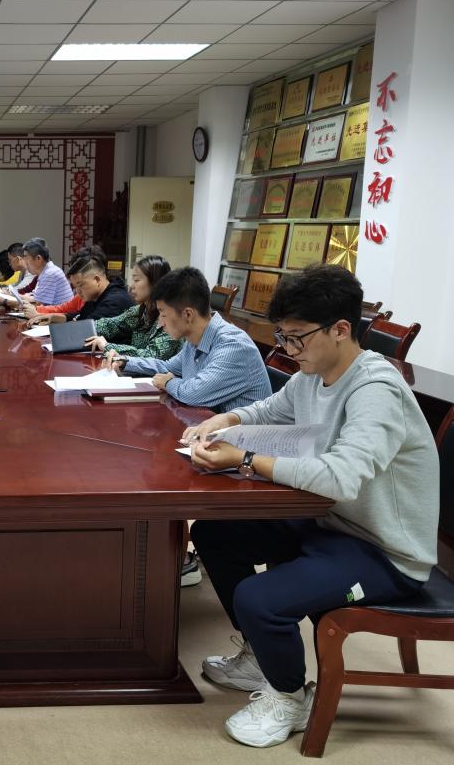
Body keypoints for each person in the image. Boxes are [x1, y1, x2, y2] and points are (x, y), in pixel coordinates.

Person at [184, 265, 438, 748]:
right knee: (215, 534)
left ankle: (289, 696)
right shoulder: (314, 375)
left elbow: (341, 477)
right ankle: (260, 657)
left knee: (259, 599)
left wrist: (246, 459)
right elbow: (270, 410)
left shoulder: (376, 390)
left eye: (296, 337)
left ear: (340, 329)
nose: (289, 348)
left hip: (385, 550)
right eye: (283, 336)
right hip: (332, 523)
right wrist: (226, 420)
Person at [115, 267, 270, 413]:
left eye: (163, 314)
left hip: (241, 433)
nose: (160, 323)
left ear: (188, 314)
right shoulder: (194, 340)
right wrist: (125, 361)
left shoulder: (234, 346)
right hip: (206, 425)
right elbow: (166, 367)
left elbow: (195, 393)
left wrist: (168, 383)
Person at [85, 254, 182, 361]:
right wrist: (81, 329)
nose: (131, 286)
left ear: (155, 283)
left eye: (136, 280)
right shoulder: (140, 311)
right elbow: (110, 325)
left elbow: (152, 356)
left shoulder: (171, 319)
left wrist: (107, 346)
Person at [26, 255, 133, 323]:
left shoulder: (114, 301)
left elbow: (86, 327)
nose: (77, 291)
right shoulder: (96, 296)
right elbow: (81, 315)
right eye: (75, 287)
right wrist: (53, 318)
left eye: (81, 285)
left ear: (97, 280)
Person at [20, 237, 73, 306]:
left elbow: (37, 304)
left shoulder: (50, 274)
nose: (24, 261)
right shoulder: (47, 271)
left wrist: (16, 297)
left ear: (38, 259)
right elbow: (37, 298)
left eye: (25, 257)